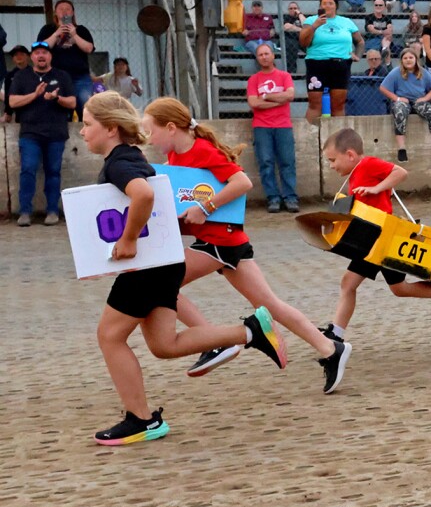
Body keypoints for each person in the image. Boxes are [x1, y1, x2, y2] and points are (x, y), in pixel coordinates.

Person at [80, 92, 284, 446]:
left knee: (110, 337)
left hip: (148, 266)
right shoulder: (132, 156)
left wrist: (127, 241)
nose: (82, 132)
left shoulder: (119, 163)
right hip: (163, 262)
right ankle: (250, 330)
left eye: (87, 124)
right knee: (164, 344)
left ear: (111, 129)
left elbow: (143, 196)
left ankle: (141, 420)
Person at [140, 97, 352, 393]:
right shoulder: (175, 160)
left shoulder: (202, 150)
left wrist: (206, 208)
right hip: (226, 242)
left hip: (220, 242)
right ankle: (331, 349)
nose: (149, 139)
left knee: (159, 283)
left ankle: (217, 343)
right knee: (271, 305)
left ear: (172, 128)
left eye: (151, 131)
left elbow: (241, 183)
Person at [321, 127, 431, 341]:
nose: (331, 166)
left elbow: (400, 172)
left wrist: (378, 188)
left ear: (350, 155)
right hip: (370, 240)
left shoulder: (367, 164)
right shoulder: (354, 174)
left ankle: (337, 334)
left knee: (354, 284)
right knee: (395, 288)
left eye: (333, 160)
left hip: (383, 238)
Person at [9, 40, 77, 225]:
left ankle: (52, 211)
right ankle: (25, 212)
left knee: (53, 172)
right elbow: (13, 102)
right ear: (32, 57)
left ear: (50, 56)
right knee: (28, 170)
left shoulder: (62, 76)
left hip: (56, 133)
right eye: (37, 53)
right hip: (30, 134)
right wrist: (35, 95)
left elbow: (72, 102)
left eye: (44, 53)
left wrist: (57, 98)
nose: (41, 56)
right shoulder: (22, 77)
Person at [246, 42, 298, 213]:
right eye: (260, 55)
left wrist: (267, 97)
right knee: (266, 163)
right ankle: (273, 198)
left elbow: (290, 95)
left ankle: (290, 197)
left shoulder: (284, 76)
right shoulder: (254, 80)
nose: (264, 57)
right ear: (257, 58)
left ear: (273, 55)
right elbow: (253, 102)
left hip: (283, 126)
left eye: (267, 53)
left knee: (287, 162)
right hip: (262, 127)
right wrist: (278, 101)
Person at [300, 0, 363, 118]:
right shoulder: (311, 20)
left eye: (330, 3)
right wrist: (315, 26)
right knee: (315, 104)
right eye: (324, 3)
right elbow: (303, 42)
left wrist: (358, 55)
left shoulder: (346, 22)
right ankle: (311, 135)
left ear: (336, 6)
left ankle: (338, 136)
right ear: (320, 6)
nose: (327, 6)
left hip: (340, 64)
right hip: (316, 63)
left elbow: (360, 41)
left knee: (338, 105)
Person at [381, 46, 431, 161]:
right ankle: (401, 149)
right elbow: (383, 88)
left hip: (418, 101)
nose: (408, 60)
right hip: (403, 102)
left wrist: (425, 98)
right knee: (400, 112)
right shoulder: (396, 72)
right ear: (402, 61)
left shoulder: (423, 72)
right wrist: (397, 99)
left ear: (416, 59)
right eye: (405, 58)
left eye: (411, 57)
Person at [37, 0, 95, 116]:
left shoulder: (81, 29)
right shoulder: (48, 29)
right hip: (56, 76)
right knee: (58, 107)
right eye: (61, 9)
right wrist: (56, 34)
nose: (64, 12)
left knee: (86, 106)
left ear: (73, 13)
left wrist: (74, 35)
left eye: (68, 9)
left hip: (80, 76)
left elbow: (89, 48)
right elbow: (41, 49)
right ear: (56, 13)